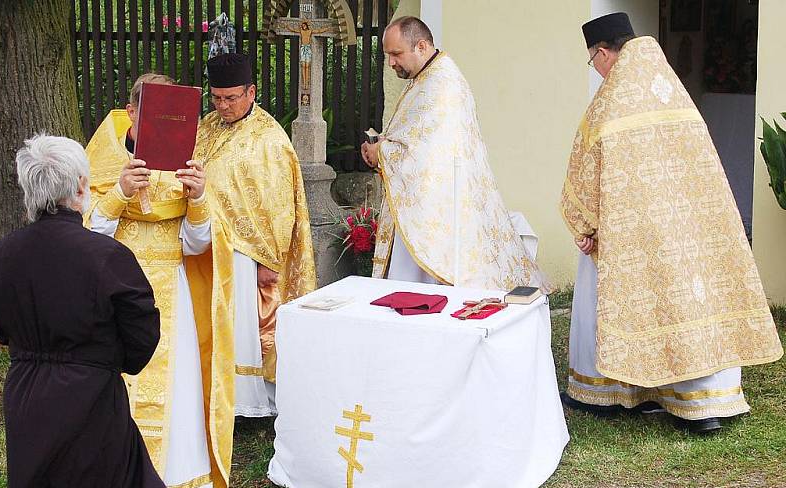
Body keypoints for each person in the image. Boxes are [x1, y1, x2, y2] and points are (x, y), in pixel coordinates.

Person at [560, 13, 783, 432]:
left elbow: (586, 167)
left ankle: (608, 392)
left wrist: (585, 225)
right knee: (695, 298)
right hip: (695, 226)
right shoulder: (672, 91)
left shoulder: (612, 100)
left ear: (603, 53)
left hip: (634, 230)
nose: (597, 70)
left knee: (630, 299)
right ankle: (705, 401)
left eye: (593, 62)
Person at [0, 134, 199, 488]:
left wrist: (30, 352)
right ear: (81, 186)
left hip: (26, 392)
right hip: (90, 394)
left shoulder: (3, 254)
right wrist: (104, 362)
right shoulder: (105, 256)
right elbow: (141, 331)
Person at [84, 73, 222, 488]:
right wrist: (119, 193)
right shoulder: (103, 155)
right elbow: (85, 238)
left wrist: (199, 198)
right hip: (116, 292)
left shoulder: (189, 160)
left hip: (172, 292)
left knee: (177, 395)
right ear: (132, 111)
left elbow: (199, 244)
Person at [360, 16, 550, 292]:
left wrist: (383, 153)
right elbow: (414, 134)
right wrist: (383, 145)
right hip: (420, 203)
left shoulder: (442, 84)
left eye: (396, 54)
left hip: (436, 209)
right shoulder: (425, 77)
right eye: (388, 55)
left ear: (421, 46)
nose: (391, 62)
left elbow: (428, 151)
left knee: (423, 292)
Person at [186, 52, 316, 419]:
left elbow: (279, 206)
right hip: (204, 241)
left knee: (243, 326)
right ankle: (213, 393)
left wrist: (270, 261)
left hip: (246, 254)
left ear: (251, 92)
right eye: (216, 98)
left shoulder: (270, 138)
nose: (223, 106)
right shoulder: (206, 126)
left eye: (230, 98)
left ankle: (248, 404)